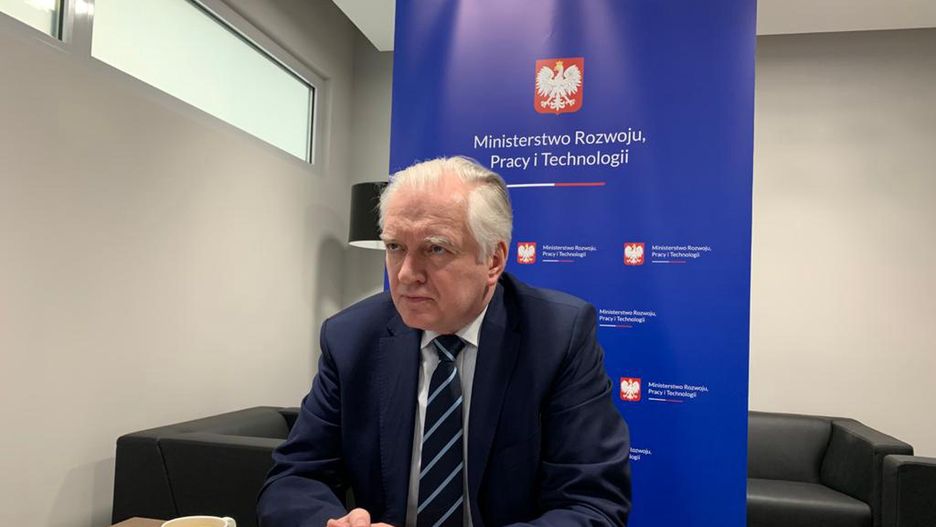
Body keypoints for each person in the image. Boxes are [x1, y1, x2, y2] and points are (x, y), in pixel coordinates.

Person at [257, 157, 631, 527]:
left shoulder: (557, 336)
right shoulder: (351, 338)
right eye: (395, 247)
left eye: (435, 248)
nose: (406, 274)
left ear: (493, 260)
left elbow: (591, 504)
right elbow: (293, 480)